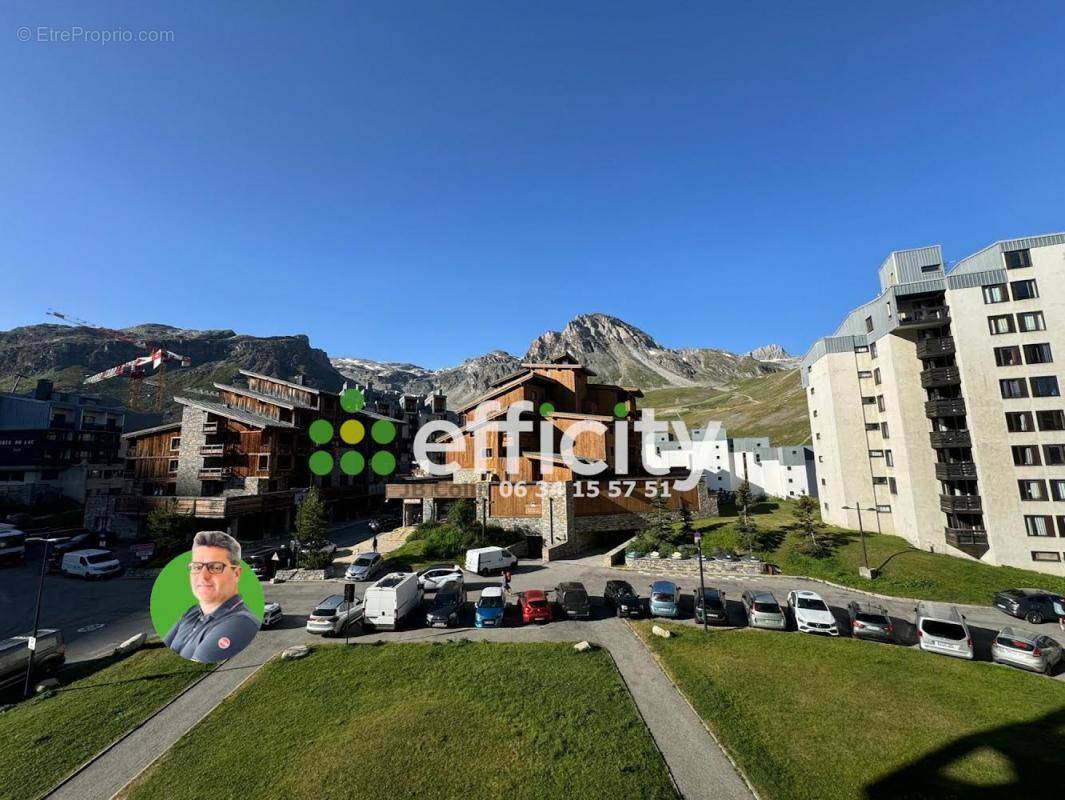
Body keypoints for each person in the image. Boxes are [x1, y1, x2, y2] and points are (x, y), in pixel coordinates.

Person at [164, 530, 261, 663]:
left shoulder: (240, 623)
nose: (203, 576)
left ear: (236, 574)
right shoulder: (192, 612)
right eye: (197, 567)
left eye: (215, 567)